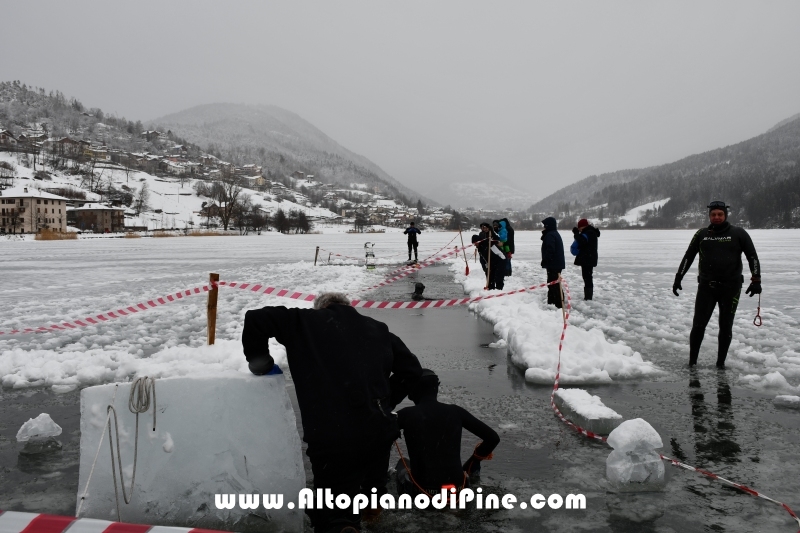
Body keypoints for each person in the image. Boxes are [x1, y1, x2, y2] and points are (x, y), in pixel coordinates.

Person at [242, 292, 423, 533]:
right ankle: (371, 515)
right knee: (372, 490)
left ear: (321, 308)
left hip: (332, 432)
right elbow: (413, 371)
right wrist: (384, 401)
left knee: (335, 508)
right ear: (348, 307)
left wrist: (260, 362)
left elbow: (256, 318)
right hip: (378, 429)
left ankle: (343, 524)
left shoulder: (303, 321)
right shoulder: (378, 329)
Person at [672, 201, 761, 368]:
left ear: (725, 215)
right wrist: (678, 277)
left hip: (731, 288)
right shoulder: (701, 234)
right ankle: (692, 363)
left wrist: (756, 280)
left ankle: (720, 364)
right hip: (707, 287)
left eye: (720, 214)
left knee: (726, 326)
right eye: (713, 214)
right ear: (709, 216)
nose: (717, 217)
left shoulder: (738, 233)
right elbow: (688, 257)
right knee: (698, 325)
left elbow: (752, 257)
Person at [395, 369, 500, 495]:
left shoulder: (405, 415)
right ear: (436, 388)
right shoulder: (456, 412)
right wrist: (472, 462)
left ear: (411, 392)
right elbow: (493, 438)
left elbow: (377, 439)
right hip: (457, 488)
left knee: (402, 464)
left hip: (423, 491)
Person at [570, 218, 600, 300]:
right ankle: (588, 297)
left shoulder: (589, 232)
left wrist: (576, 234)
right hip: (589, 257)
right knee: (588, 277)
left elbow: (581, 241)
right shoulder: (591, 232)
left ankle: (588, 298)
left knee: (587, 277)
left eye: (579, 227)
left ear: (582, 227)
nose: (579, 229)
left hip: (588, 258)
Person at [541, 217, 565, 308]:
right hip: (555, 263)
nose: (543, 228)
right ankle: (551, 303)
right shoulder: (553, 233)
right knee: (552, 283)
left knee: (554, 284)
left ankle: (558, 304)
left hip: (554, 264)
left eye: (544, 226)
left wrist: (546, 260)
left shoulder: (550, 235)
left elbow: (550, 249)